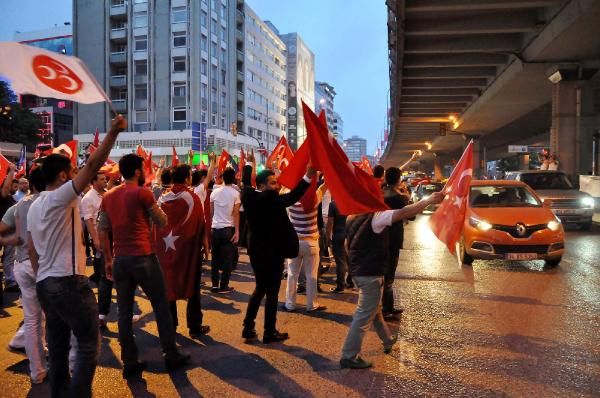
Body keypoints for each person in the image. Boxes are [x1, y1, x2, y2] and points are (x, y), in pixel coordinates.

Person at [27, 115, 126, 397]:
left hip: (46, 284)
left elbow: (32, 250)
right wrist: (114, 132)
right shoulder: (61, 197)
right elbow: (93, 165)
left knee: (57, 350)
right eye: (72, 172)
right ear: (62, 176)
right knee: (87, 344)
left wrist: (42, 280)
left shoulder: (34, 207)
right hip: (67, 282)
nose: (75, 175)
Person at [98, 153, 190, 379]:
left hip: (120, 259)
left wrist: (109, 260)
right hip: (143, 257)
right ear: (138, 172)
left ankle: (129, 361)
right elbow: (162, 221)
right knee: (161, 305)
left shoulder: (108, 196)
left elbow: (102, 229)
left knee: (123, 313)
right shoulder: (143, 193)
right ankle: (171, 354)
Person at [340, 192, 444, 369]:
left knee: (375, 309)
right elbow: (404, 212)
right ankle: (349, 355)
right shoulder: (377, 217)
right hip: (371, 273)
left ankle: (388, 339)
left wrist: (353, 268)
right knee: (364, 314)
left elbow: (346, 245)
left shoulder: (352, 216)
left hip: (359, 272)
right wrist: (430, 200)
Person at [242, 166, 314, 344]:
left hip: (256, 253)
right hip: (272, 254)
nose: (276, 186)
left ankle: (248, 327)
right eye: (273, 183)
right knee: (272, 292)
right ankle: (269, 332)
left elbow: (245, 184)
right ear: (262, 185)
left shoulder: (248, 196)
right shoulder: (270, 199)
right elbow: (293, 196)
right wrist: (308, 176)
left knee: (260, 289)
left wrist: (250, 165)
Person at [1, 168, 46, 384]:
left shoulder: (20, 205)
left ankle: (36, 371)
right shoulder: (53, 202)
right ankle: (64, 366)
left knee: (32, 319)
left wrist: (8, 241)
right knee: (56, 316)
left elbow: (7, 232)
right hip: (45, 266)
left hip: (22, 265)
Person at [156, 164, 210, 339]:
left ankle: (171, 326)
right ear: (187, 178)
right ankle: (194, 326)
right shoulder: (192, 197)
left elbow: (156, 225)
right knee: (192, 287)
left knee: (168, 285)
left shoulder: (162, 199)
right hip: (188, 250)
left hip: (166, 250)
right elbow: (199, 223)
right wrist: (205, 243)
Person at [283, 181, 328, 312]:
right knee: (311, 275)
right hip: (311, 243)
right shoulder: (314, 198)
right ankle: (312, 304)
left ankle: (290, 304)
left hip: (295, 243)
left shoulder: (290, 199)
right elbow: (323, 187)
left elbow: (284, 186)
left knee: (292, 274)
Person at [80, 172, 112, 328]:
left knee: (108, 278)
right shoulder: (88, 198)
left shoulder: (106, 195)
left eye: (105, 178)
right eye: (101, 179)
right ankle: (100, 315)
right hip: (101, 242)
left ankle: (102, 314)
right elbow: (89, 221)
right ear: (93, 181)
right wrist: (96, 240)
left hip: (112, 240)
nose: (105, 180)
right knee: (104, 279)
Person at [381, 167, 410, 319]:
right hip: (393, 238)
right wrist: (407, 195)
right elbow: (411, 216)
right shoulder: (399, 198)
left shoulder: (380, 193)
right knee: (389, 276)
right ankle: (386, 309)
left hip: (379, 236)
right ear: (399, 180)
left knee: (384, 273)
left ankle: (388, 306)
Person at [209, 167, 240, 293]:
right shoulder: (235, 193)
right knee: (228, 259)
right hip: (228, 228)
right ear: (233, 179)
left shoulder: (214, 193)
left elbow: (211, 212)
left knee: (215, 258)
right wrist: (237, 231)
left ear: (222, 178)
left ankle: (214, 284)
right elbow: (236, 214)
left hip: (215, 228)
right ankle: (224, 285)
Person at [326, 199, 350, 293]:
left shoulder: (333, 204)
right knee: (349, 259)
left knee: (340, 261)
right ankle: (350, 281)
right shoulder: (350, 201)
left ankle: (340, 285)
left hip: (338, 235)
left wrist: (328, 237)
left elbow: (330, 222)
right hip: (349, 234)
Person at [1, 167, 18, 294]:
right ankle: (10, 282)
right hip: (2, 231)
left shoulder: (12, 199)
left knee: (9, 258)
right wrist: (11, 171)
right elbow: (6, 189)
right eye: (13, 184)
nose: (15, 187)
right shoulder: (2, 195)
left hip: (9, 232)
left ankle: (10, 282)